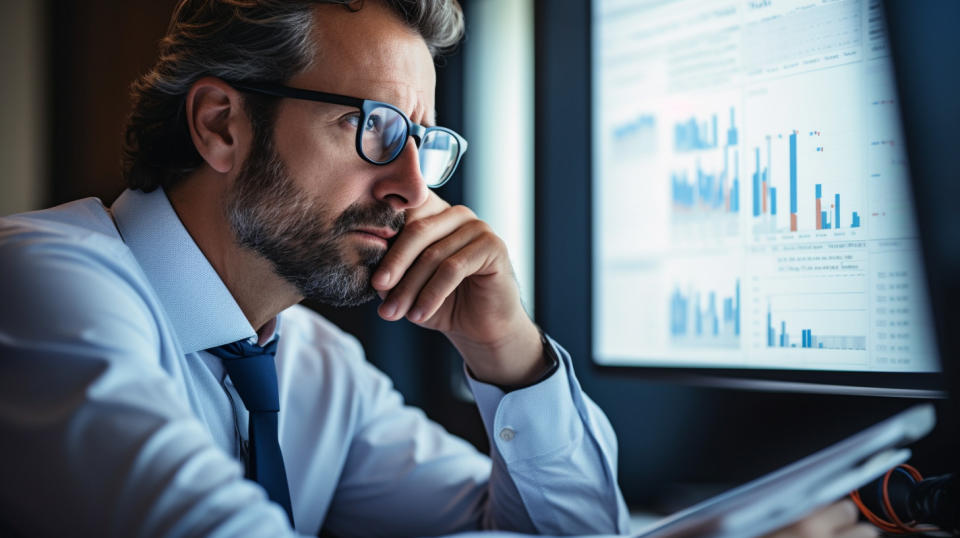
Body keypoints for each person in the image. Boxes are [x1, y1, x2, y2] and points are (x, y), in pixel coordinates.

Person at [0, 1, 875, 536]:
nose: (413, 188)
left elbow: (575, 533)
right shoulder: (42, 282)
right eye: (375, 127)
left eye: (424, 142)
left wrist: (512, 354)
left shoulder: (311, 369)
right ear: (222, 125)